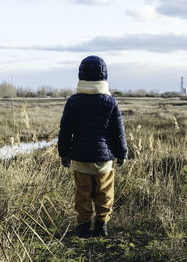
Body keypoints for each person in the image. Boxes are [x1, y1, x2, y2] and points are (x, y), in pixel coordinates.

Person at [58, 55, 127, 238]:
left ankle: (82, 226)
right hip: (104, 160)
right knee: (104, 193)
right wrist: (122, 154)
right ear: (104, 76)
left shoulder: (73, 101)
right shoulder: (110, 102)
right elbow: (118, 132)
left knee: (83, 193)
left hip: (80, 157)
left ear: (81, 75)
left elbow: (65, 131)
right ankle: (101, 225)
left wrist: (63, 153)